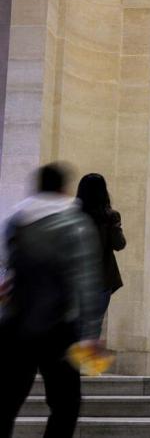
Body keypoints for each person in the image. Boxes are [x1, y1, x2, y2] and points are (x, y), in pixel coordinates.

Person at [0, 163, 104, 437]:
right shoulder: (74, 223)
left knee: (6, 403)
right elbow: (86, 279)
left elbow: (5, 272)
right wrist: (91, 332)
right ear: (63, 189)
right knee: (65, 404)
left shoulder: (15, 219)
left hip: (15, 325)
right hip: (59, 328)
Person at [76, 173, 126, 336]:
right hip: (101, 279)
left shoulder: (71, 216)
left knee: (74, 328)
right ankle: (85, 360)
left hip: (75, 279)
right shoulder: (110, 216)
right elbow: (119, 244)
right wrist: (116, 226)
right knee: (93, 329)